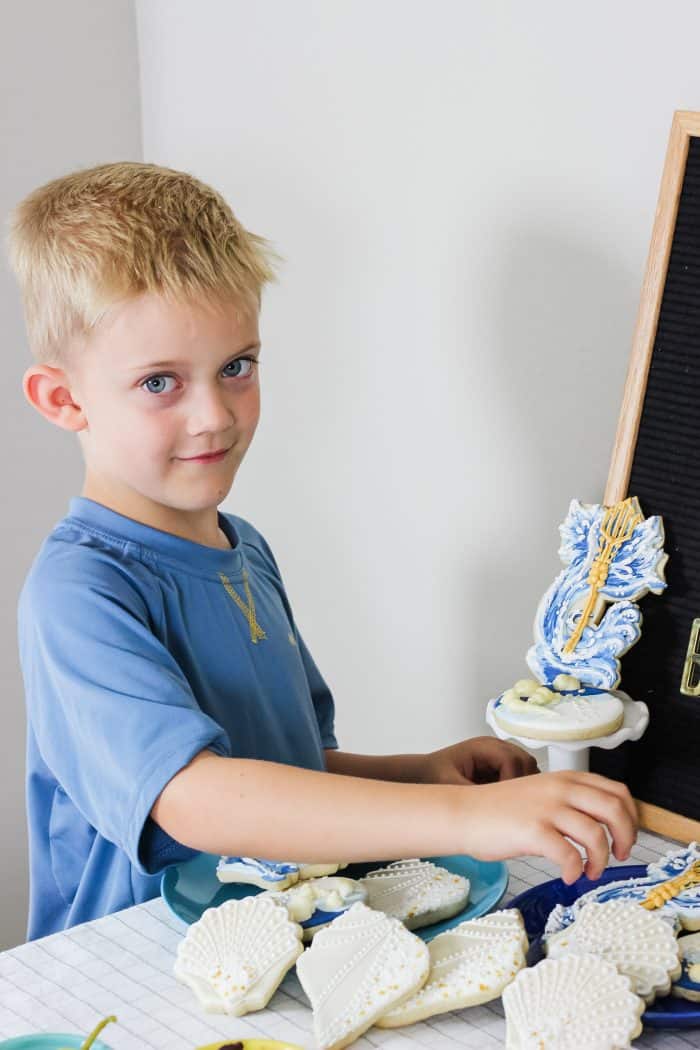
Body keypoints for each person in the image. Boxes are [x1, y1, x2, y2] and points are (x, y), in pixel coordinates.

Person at [7, 161, 637, 941]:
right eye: (160, 383)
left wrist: (419, 773)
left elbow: (286, 772)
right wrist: (465, 817)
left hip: (276, 948)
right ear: (63, 399)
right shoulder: (80, 591)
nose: (214, 416)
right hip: (130, 975)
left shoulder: (246, 550)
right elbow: (196, 798)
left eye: (236, 367)